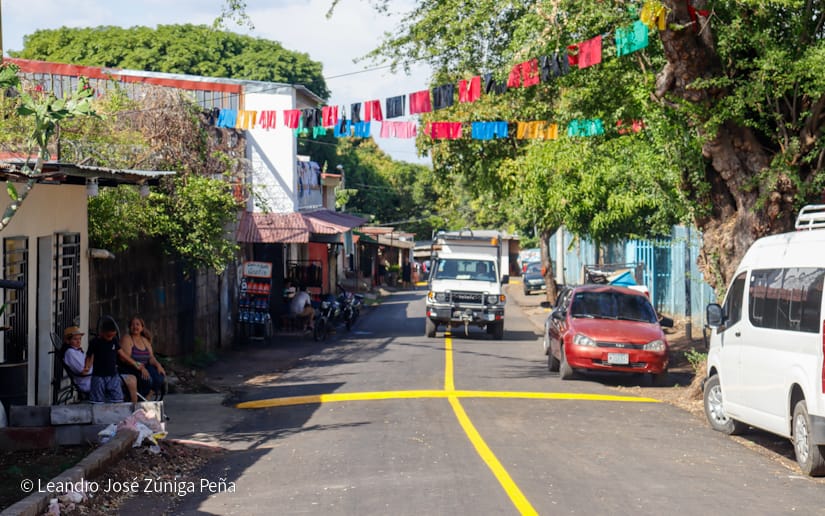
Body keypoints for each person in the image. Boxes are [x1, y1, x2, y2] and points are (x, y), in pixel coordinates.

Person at [119, 315, 167, 402]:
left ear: (142, 327)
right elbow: (125, 359)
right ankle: (140, 399)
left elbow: (151, 357)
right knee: (146, 379)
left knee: (160, 376)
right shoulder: (127, 338)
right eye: (133, 325)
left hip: (145, 366)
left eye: (137, 324)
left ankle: (148, 395)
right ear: (130, 327)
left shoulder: (144, 340)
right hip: (131, 367)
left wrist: (158, 365)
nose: (135, 327)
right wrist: (140, 367)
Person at [85, 318, 126, 403]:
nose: (110, 338)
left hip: (112, 374)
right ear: (102, 332)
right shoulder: (95, 342)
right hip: (98, 375)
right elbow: (89, 356)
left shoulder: (114, 341)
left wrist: (135, 364)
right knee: (97, 401)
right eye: (108, 336)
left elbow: (122, 353)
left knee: (117, 399)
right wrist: (87, 366)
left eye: (113, 335)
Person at [61, 326, 91, 395]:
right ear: (68, 341)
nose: (78, 341)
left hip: (91, 379)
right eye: (75, 339)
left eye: (80, 339)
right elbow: (83, 371)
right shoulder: (70, 352)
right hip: (86, 382)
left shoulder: (77, 351)